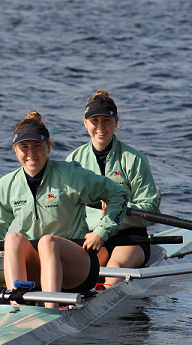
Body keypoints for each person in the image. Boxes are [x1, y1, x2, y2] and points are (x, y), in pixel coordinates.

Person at [0, 110, 129, 308]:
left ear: (48, 147)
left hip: (78, 268)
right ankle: (16, 304)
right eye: (24, 147)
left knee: (48, 242)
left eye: (37, 146)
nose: (31, 154)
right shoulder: (6, 185)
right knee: (12, 239)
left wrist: (101, 231)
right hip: (38, 267)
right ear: (15, 150)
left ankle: (50, 310)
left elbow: (119, 195)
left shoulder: (71, 175)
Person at [66, 88, 160, 286]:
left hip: (129, 235)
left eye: (106, 120)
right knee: (85, 267)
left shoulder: (134, 159)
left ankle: (103, 299)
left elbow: (151, 209)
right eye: (94, 121)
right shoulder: (74, 160)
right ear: (85, 123)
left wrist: (120, 210)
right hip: (91, 235)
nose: (101, 127)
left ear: (116, 122)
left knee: (114, 267)